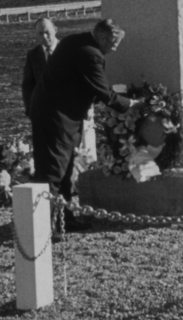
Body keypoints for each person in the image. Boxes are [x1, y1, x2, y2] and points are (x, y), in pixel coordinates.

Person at [30, 18, 133, 209]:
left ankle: (65, 218)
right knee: (53, 172)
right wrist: (132, 104)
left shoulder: (73, 41)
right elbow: (104, 94)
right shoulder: (90, 53)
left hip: (56, 116)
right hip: (56, 119)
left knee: (67, 168)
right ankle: (48, 225)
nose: (115, 49)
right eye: (114, 43)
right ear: (102, 37)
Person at [21, 16, 58, 117]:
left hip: (68, 114)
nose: (45, 36)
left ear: (55, 30)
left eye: (47, 32)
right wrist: (30, 109)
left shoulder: (68, 50)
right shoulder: (33, 55)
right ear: (36, 35)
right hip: (42, 115)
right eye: (41, 33)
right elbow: (28, 85)